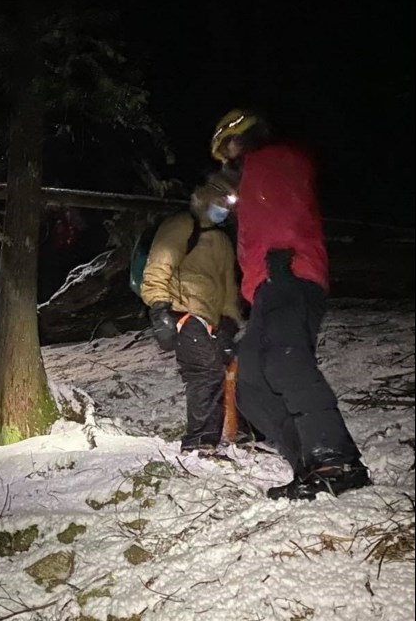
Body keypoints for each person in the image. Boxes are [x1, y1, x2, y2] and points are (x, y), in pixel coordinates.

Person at [210, 108, 371, 500]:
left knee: (286, 361)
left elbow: (290, 184)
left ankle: (338, 460)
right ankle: (309, 464)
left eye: (230, 146)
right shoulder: (251, 177)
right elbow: (223, 213)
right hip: (267, 284)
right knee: (250, 385)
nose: (228, 156)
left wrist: (238, 179)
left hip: (290, 271)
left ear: (244, 136)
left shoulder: (279, 158)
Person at [140, 183, 244, 450]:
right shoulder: (182, 226)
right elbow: (158, 266)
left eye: (227, 204)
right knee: (205, 372)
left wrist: (229, 322)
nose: (223, 209)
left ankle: (209, 440)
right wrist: (159, 309)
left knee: (218, 373)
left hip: (212, 320)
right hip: (182, 310)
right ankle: (198, 442)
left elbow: (228, 286)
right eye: (219, 202)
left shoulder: (221, 240)